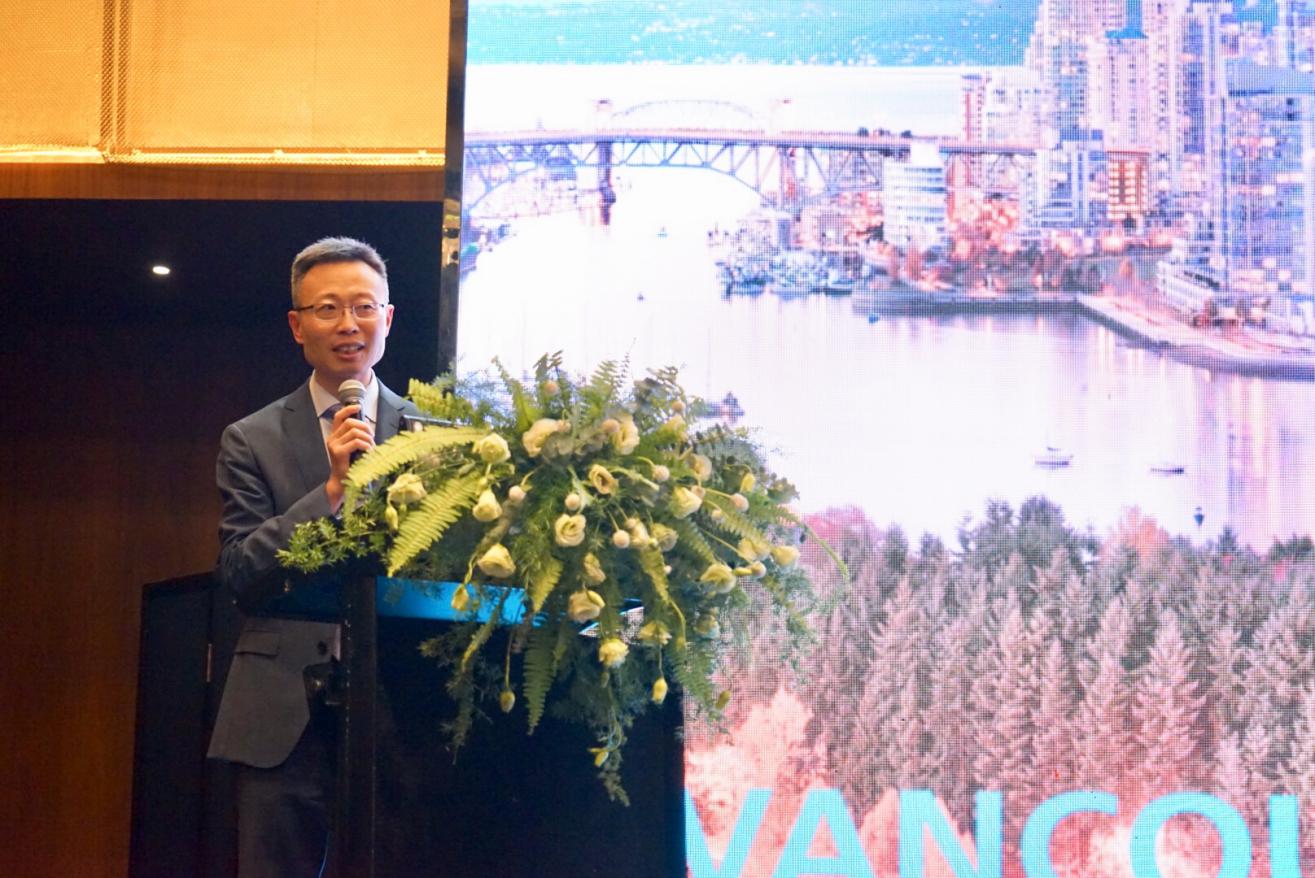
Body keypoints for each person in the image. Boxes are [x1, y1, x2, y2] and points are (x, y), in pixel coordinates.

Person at [207, 237, 420, 877]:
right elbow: (241, 573)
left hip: (402, 708)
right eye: (328, 308)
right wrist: (329, 494)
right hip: (282, 714)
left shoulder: (432, 436)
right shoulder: (252, 438)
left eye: (363, 307)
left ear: (388, 319)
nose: (347, 324)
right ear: (298, 326)